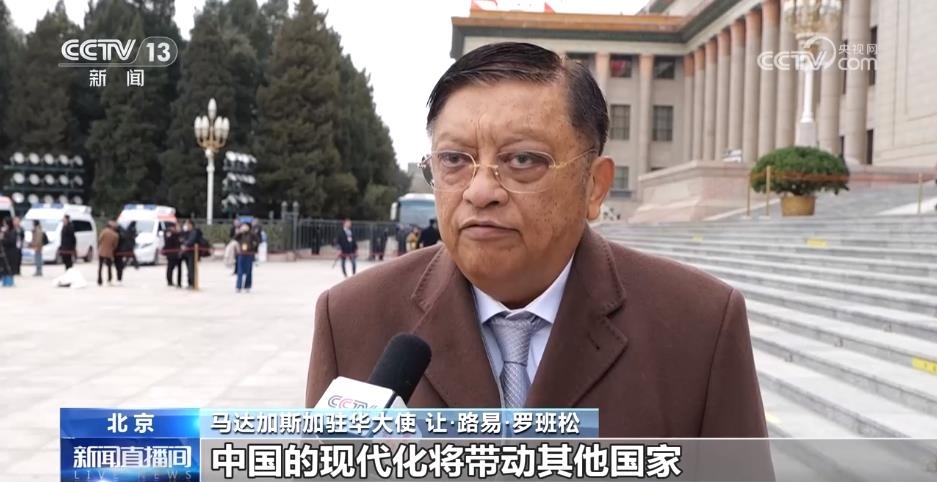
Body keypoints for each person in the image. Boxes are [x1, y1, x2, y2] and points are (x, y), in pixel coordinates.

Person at [305, 43, 769, 440]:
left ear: (595, 186)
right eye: (454, 160)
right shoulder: (350, 319)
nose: (480, 191)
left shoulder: (700, 325)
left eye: (523, 159)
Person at [234, 223, 260, 293]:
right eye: (243, 226)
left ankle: (247, 286)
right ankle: (238, 286)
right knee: (240, 270)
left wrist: (254, 249)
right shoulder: (240, 234)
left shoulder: (252, 234)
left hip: (249, 254)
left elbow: (258, 241)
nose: (244, 227)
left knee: (249, 271)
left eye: (245, 226)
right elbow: (235, 239)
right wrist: (240, 232)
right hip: (241, 254)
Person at [97, 220, 119, 286]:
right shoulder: (115, 235)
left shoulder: (104, 231)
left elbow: (99, 239)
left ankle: (99, 280)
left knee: (100, 266)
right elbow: (115, 245)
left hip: (101, 251)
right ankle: (109, 279)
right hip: (109, 252)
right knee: (109, 266)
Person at [163, 223, 183, 288]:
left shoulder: (178, 233)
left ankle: (178, 283)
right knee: (170, 268)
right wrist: (175, 233)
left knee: (178, 268)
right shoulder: (168, 232)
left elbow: (181, 240)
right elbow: (168, 241)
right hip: (171, 253)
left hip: (177, 253)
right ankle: (170, 281)